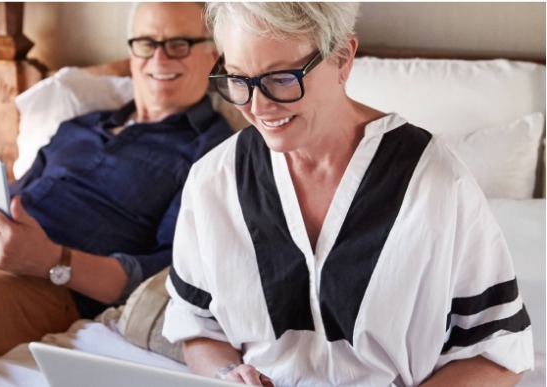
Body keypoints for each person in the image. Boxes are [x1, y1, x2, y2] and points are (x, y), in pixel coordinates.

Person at [162, 3, 533, 386]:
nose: (258, 107)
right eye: (239, 79)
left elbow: (498, 354)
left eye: (282, 78)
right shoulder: (213, 181)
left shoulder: (436, 185)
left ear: (343, 57)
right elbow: (199, 328)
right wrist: (227, 374)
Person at [0, 2, 232, 374]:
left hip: (35, 285)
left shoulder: (212, 154)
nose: (159, 58)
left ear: (212, 55)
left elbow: (163, 274)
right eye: (147, 43)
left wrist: (52, 260)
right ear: (133, 52)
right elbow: (14, 194)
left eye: (179, 44)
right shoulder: (81, 123)